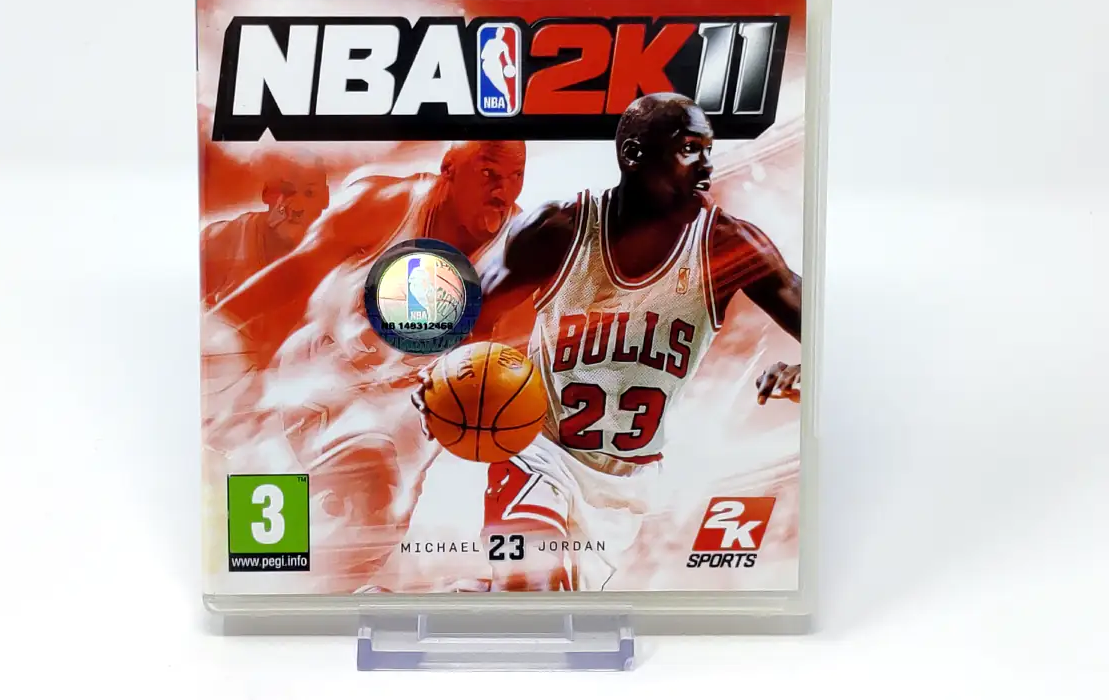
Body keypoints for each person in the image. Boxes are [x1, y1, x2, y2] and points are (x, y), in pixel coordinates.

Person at [414, 93, 801, 591]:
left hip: (625, 486)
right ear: (633, 155)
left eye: (709, 150)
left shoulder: (728, 245)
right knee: (531, 587)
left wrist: (803, 372)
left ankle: (446, 599)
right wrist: (447, 376)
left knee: (553, 603)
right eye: (689, 149)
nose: (707, 166)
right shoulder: (559, 230)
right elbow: (473, 312)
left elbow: (825, 329)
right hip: (537, 452)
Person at [205, 141, 527, 591]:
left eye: (516, 177)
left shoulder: (520, 252)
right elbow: (289, 279)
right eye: (490, 173)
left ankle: (328, 595)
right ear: (449, 168)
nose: (503, 192)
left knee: (376, 511)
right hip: (323, 367)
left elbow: (505, 358)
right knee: (271, 514)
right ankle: (261, 580)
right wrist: (215, 347)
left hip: (409, 401)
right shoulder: (385, 204)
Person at [200, 159, 330, 306]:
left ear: (325, 198)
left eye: (309, 193)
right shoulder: (221, 240)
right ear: (266, 194)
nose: (297, 207)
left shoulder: (335, 259)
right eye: (286, 192)